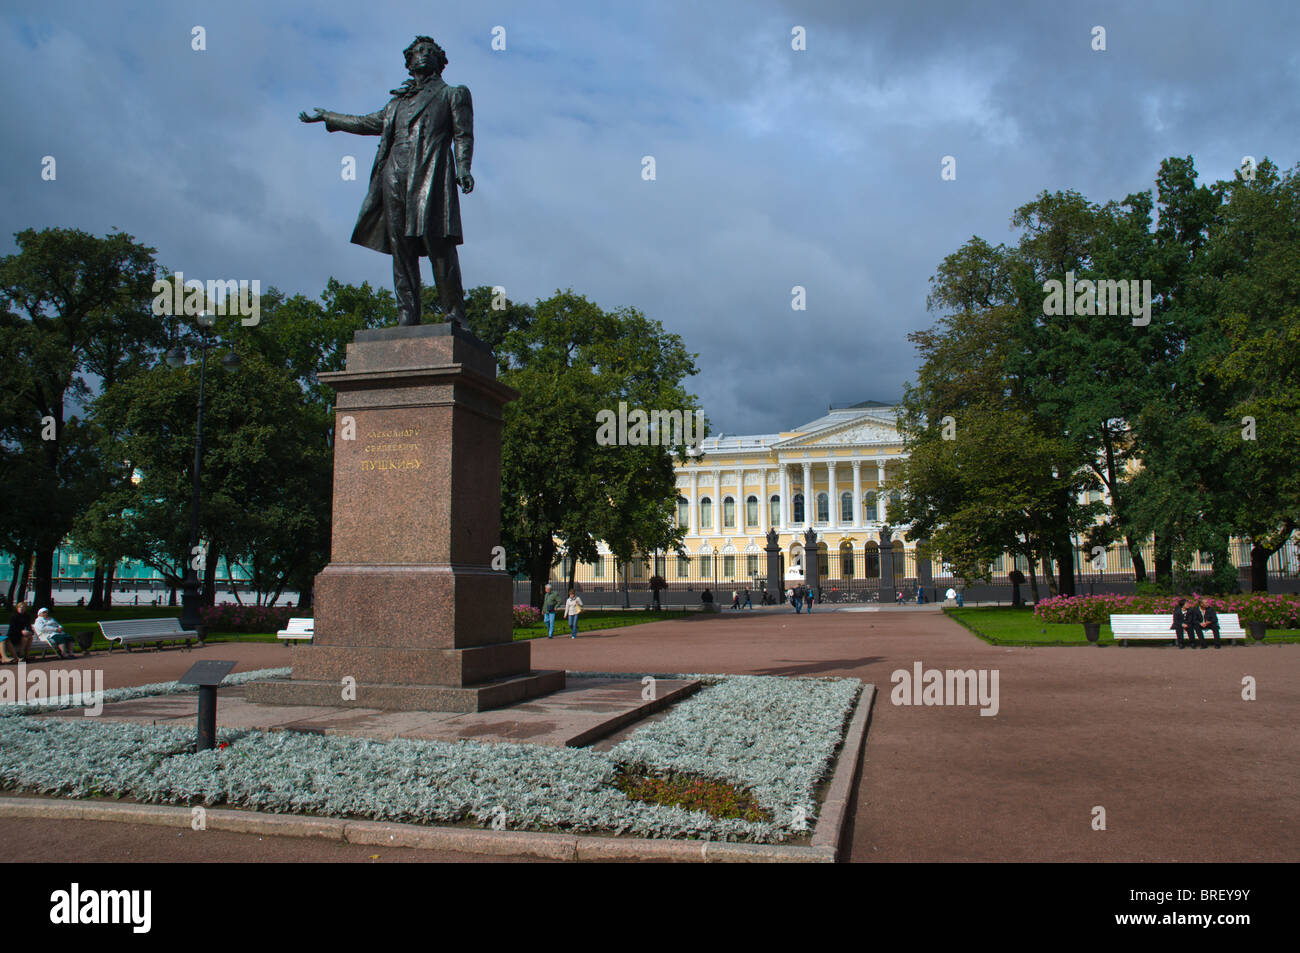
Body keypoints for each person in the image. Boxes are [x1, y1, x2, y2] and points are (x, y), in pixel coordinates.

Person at [300, 35, 474, 328]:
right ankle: (407, 314)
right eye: (418, 51)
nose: (423, 55)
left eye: (429, 52)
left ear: (440, 62)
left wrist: (464, 168)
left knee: (438, 245)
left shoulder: (453, 94)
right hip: (394, 174)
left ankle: (455, 314)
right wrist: (328, 116)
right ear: (408, 62)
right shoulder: (396, 104)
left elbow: (463, 134)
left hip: (430, 172)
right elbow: (366, 122)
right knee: (401, 246)